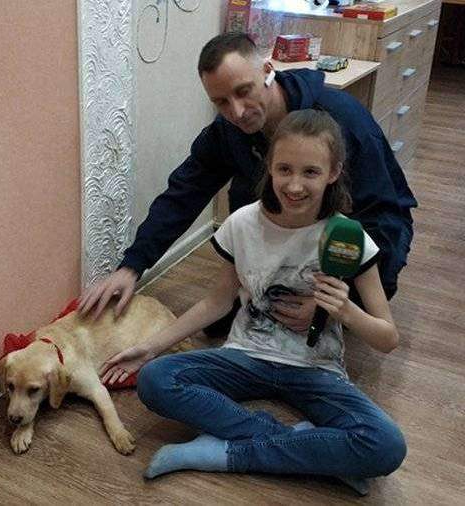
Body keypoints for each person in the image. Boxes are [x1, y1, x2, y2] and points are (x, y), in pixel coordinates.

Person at [98, 110, 407, 494]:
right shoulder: (243, 223)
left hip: (316, 370)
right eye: (284, 169)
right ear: (269, 168)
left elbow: (387, 338)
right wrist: (149, 348)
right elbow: (216, 303)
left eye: (311, 172)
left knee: (386, 445)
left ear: (333, 173)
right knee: (155, 380)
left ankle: (225, 453)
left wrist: (347, 311)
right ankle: (311, 448)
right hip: (245, 357)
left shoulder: (349, 237)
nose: (295, 185)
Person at [79, 32, 416, 336]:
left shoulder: (343, 121)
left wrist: (334, 303)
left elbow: (383, 218)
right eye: (221, 102)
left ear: (267, 71)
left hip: (357, 238)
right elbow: (183, 193)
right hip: (285, 242)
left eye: (243, 92)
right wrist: (132, 265)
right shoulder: (228, 132)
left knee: (335, 315)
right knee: (218, 324)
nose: (237, 112)